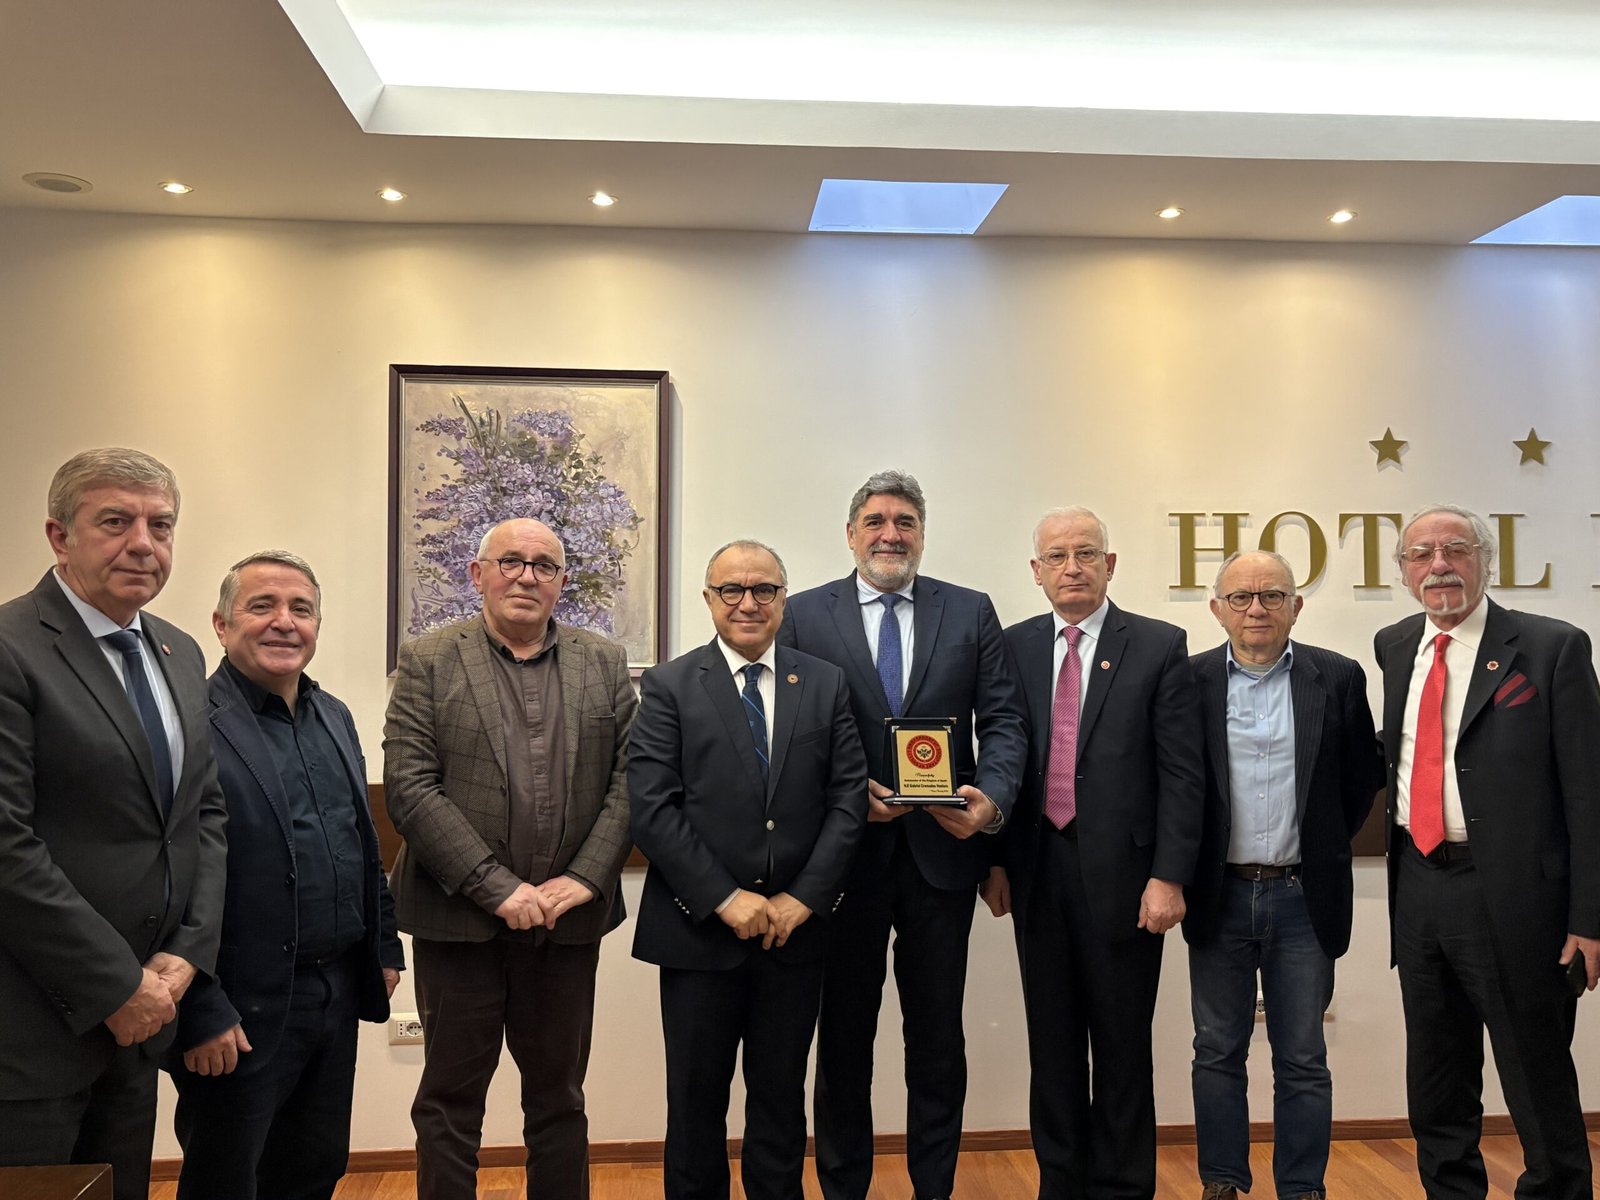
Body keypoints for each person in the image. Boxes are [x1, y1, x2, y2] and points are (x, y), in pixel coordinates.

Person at [777, 470, 1027, 1200]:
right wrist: (844, 794)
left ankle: (933, 1188)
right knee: (844, 1039)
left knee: (938, 1040)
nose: (891, 534)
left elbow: (1004, 721)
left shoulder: (970, 610)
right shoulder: (804, 614)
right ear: (851, 534)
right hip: (841, 863)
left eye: (906, 521)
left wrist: (993, 803)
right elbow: (789, 731)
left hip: (942, 858)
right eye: (877, 521)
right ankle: (844, 1187)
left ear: (922, 533)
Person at [384, 517, 637, 1200]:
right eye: (511, 562)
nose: (527, 576)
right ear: (478, 574)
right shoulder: (428, 659)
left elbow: (630, 781)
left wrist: (584, 879)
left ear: (562, 581)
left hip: (565, 925)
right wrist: (494, 887)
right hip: (457, 922)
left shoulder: (603, 662)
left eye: (544, 565)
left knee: (560, 1098)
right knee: (449, 1101)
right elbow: (409, 787)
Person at [0, 447, 227, 1200]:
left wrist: (188, 954)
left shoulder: (179, 652)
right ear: (59, 536)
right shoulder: (11, 648)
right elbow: (6, 845)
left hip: (142, 1026)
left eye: (161, 525)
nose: (143, 543)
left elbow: (203, 815)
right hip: (33, 1033)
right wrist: (114, 984)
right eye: (115, 522)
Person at [630, 538, 868, 1200]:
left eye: (764, 589)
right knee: (695, 1105)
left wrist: (804, 898)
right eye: (731, 589)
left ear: (783, 600)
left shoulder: (824, 682)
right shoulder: (669, 685)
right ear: (708, 599)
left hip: (794, 937)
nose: (748, 603)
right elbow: (653, 809)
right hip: (698, 935)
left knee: (781, 1103)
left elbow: (847, 801)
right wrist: (723, 897)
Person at [1375, 503, 1599, 1200]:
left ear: (1485, 561)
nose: (1439, 565)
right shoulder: (1394, 645)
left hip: (1515, 895)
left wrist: (1589, 919)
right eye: (1421, 554)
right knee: (1436, 1076)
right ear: (1404, 571)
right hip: (1419, 886)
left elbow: (1589, 794)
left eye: (1456, 550)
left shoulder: (1552, 648)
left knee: (1536, 1075)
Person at [167, 551, 406, 1199]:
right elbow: (170, 881)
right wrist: (199, 1008)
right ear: (221, 625)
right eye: (262, 606)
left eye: (301, 609)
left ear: (317, 626)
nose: (284, 621)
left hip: (335, 992)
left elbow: (361, 842)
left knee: (313, 1170)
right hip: (239, 1006)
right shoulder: (192, 724)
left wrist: (383, 948)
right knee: (226, 1181)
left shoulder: (335, 716)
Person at [990, 505, 1203, 1200]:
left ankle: (1122, 1186)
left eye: (1086, 553)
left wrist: (1169, 876)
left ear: (1110, 565)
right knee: (1051, 1045)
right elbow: (1000, 757)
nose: (1072, 567)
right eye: (1056, 556)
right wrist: (994, 861)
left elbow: (1182, 773)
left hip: (1127, 878)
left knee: (1121, 1046)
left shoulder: (1159, 645)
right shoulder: (1012, 646)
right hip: (1036, 870)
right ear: (1036, 571)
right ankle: (1060, 1182)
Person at [1184, 550, 1382, 1200]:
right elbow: (1176, 784)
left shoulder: (1339, 676)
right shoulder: (1189, 681)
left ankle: (1301, 1187)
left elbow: (1359, 783)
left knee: (1303, 1056)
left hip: (1305, 898)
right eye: (1240, 597)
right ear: (1217, 610)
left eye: (1272, 595)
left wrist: (1319, 846)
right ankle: (1222, 1179)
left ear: (1296, 606)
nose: (1257, 609)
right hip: (1219, 895)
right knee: (1217, 1050)